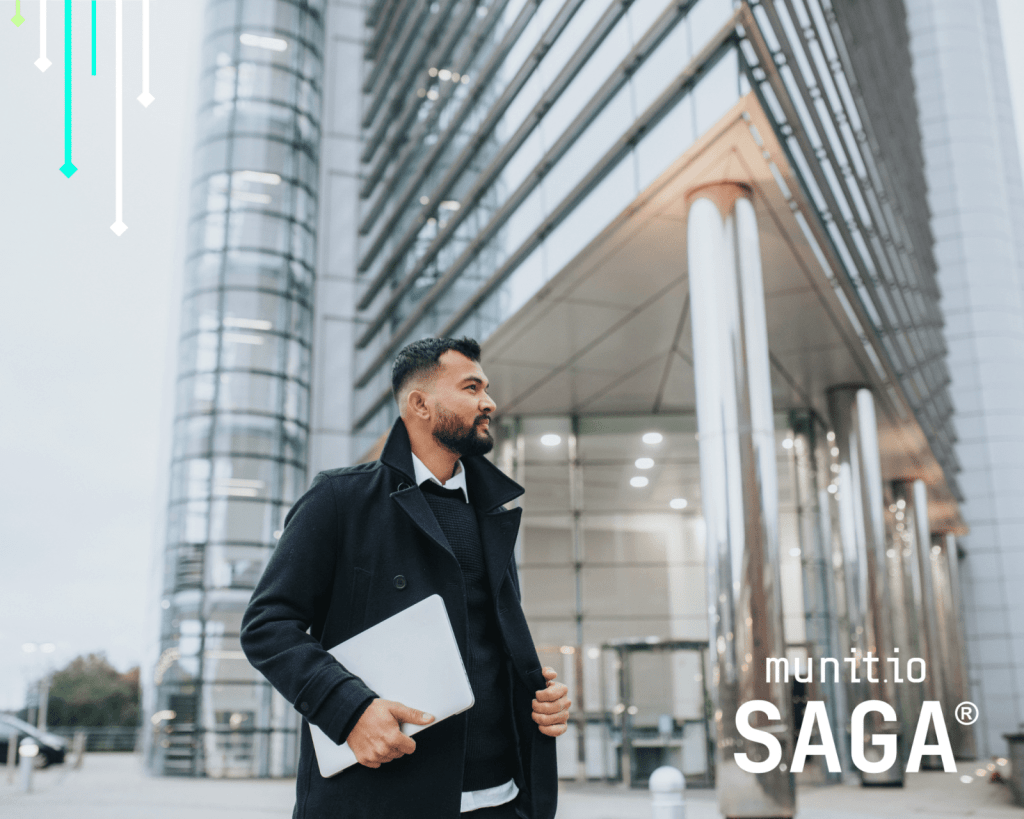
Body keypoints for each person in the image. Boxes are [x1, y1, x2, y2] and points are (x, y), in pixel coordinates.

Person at [241, 337, 568, 819]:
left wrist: (539, 698)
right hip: (382, 799)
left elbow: (488, 645)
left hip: (502, 799)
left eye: (486, 388)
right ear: (420, 404)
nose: (489, 402)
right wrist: (349, 709)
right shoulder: (340, 500)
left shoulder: (492, 512)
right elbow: (267, 626)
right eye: (472, 387)